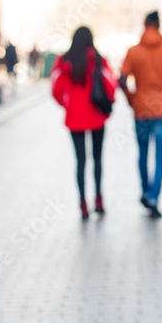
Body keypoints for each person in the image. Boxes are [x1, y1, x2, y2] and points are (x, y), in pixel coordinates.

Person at [119, 11, 162, 219]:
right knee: (159, 156)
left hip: (141, 110)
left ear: (144, 25)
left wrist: (132, 100)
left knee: (142, 153)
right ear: (159, 25)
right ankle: (154, 197)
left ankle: (145, 191)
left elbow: (121, 80)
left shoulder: (133, 51)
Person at [51, 27, 117, 220]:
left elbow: (55, 89)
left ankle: (82, 204)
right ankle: (98, 199)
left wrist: (66, 103)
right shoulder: (98, 59)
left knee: (80, 161)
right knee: (97, 159)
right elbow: (111, 84)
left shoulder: (63, 61)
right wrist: (108, 103)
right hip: (96, 117)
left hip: (74, 118)